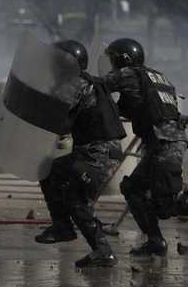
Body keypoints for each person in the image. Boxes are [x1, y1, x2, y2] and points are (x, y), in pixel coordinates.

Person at [101, 38, 188, 257]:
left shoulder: (130, 74)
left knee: (167, 206)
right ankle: (155, 242)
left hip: (164, 146)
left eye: (113, 59)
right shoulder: (156, 77)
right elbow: (136, 107)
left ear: (123, 59)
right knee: (132, 189)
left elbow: (100, 85)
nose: (111, 64)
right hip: (164, 144)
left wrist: (75, 77)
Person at [35, 40, 126, 267]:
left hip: (96, 153)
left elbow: (57, 122)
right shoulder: (92, 82)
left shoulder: (73, 83)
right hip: (103, 151)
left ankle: (103, 251)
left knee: (76, 201)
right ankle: (62, 227)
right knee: (50, 171)